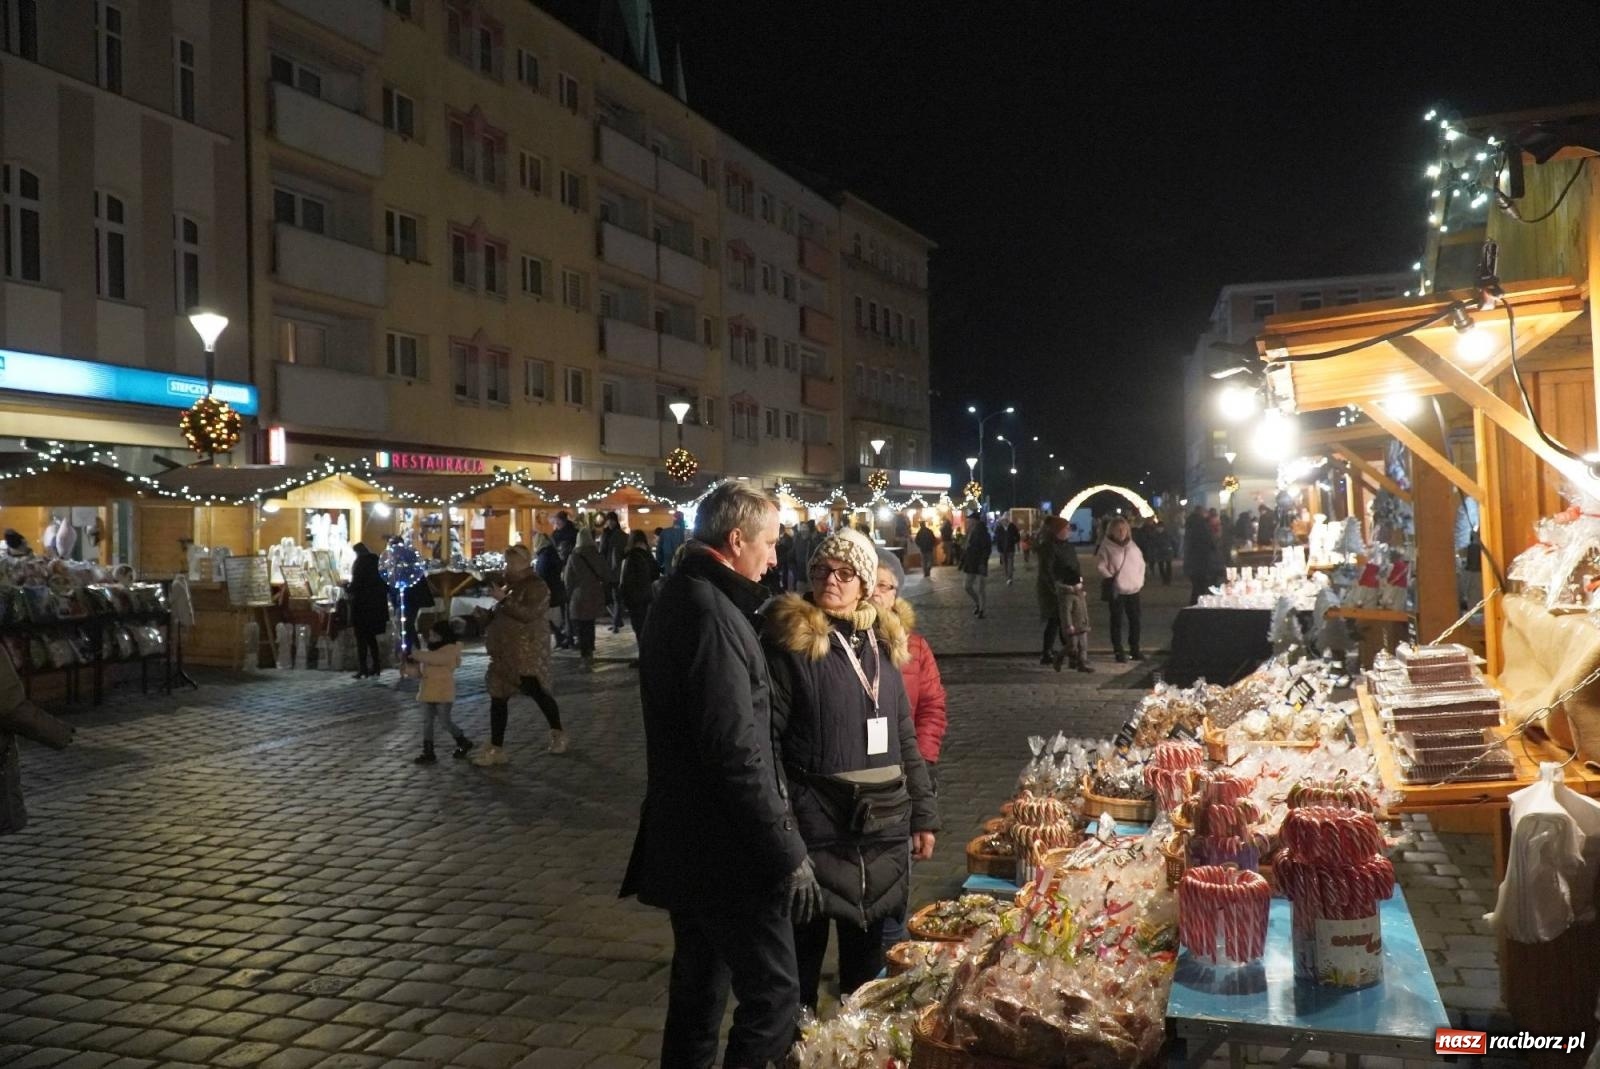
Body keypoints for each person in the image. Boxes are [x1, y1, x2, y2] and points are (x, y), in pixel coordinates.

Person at [621, 483, 814, 1069]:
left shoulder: (691, 596)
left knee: (700, 995)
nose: (776, 558)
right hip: (727, 850)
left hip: (693, 844)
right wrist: (786, 850)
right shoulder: (709, 612)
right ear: (736, 541)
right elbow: (735, 750)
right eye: (770, 543)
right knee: (776, 994)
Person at [763, 527, 938, 1008]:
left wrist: (922, 813)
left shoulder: (882, 644)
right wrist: (783, 830)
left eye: (844, 573)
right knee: (797, 976)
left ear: (865, 583)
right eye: (821, 570)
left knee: (865, 981)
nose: (831, 581)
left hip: (879, 828)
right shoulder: (792, 646)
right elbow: (769, 746)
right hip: (815, 829)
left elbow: (903, 734)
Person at [867, 549, 946, 950]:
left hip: (905, 778)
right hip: (863, 786)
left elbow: (932, 709)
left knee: (895, 897)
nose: (878, 593)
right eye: (872, 583)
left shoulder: (914, 647)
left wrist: (924, 762)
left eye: (888, 586)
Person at [473, 544, 565, 765]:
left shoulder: (537, 586)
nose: (508, 566)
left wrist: (504, 600)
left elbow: (529, 613)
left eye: (512, 562)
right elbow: (503, 614)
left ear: (524, 563)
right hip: (505, 652)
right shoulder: (510, 585)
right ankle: (496, 747)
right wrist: (485, 616)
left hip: (526, 652)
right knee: (498, 696)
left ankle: (557, 731)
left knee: (536, 691)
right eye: (507, 562)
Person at [406, 619, 474, 764]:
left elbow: (437, 659)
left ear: (442, 636)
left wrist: (416, 654)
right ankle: (428, 752)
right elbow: (420, 673)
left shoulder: (450, 650)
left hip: (443, 692)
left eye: (433, 635)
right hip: (428, 692)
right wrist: (409, 666)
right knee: (427, 722)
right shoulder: (429, 652)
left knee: (445, 721)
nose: (430, 638)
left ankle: (462, 741)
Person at [1096, 516, 1148, 663]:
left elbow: (1141, 564)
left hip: (1133, 589)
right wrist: (1112, 578)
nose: (1122, 532)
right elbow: (1101, 566)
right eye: (1118, 529)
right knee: (1117, 621)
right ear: (1111, 530)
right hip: (1117, 590)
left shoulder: (1132, 546)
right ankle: (1118, 650)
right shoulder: (1106, 546)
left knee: (1135, 620)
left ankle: (1135, 649)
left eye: (1124, 529)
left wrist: (1140, 580)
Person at [564, 527, 614, 669]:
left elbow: (568, 580)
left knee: (581, 626)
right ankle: (590, 652)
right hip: (595, 593)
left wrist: (567, 595)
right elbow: (607, 574)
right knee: (590, 624)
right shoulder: (597, 555)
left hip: (579, 596)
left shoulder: (574, 556)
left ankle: (584, 655)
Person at [346, 543, 389, 680]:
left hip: (362, 607)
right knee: (371, 638)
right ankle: (376, 666)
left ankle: (363, 668)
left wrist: (346, 587)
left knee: (361, 639)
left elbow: (356, 585)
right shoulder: (377, 563)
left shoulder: (360, 564)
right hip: (376, 609)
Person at [617, 529, 661, 654]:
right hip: (649, 597)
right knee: (647, 629)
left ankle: (643, 657)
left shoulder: (631, 557)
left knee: (639, 629)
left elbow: (626, 580)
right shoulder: (649, 556)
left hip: (635, 599)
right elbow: (656, 574)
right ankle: (648, 656)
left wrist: (625, 597)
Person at [531, 532, 570, 649]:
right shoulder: (550, 552)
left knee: (546, 616)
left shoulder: (545, 555)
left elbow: (542, 574)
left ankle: (560, 637)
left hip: (549, 590)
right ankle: (561, 637)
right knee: (550, 616)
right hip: (555, 589)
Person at [960, 512, 992, 618]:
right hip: (971, 563)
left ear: (975, 520)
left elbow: (986, 549)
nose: (968, 521)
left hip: (979, 563)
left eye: (970, 519)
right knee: (967, 586)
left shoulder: (982, 531)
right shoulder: (971, 531)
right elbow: (967, 547)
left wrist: (983, 562)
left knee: (980, 588)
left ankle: (982, 609)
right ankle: (978, 603)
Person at [600, 511, 628, 633]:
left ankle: (616, 622)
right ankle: (617, 620)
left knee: (616, 597)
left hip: (616, 569)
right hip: (607, 569)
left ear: (616, 521)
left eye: (612, 520)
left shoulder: (620, 535)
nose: (610, 522)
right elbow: (602, 551)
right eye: (608, 520)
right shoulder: (606, 534)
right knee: (608, 598)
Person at [1184, 506, 1217, 606]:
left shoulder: (1190, 523)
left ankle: (1195, 604)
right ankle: (1197, 605)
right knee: (1201, 585)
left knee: (1197, 585)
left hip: (1193, 560)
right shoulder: (1201, 525)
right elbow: (1209, 542)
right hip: (1202, 559)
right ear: (1202, 513)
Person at [655, 510, 687, 576]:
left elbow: (659, 552)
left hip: (668, 568)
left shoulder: (665, 532)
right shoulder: (688, 533)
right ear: (683, 519)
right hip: (684, 570)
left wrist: (660, 564)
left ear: (674, 519)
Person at [790, 520, 817, 596]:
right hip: (801, 577)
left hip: (812, 578)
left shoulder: (813, 543)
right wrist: (796, 572)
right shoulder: (797, 543)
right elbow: (791, 558)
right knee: (801, 600)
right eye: (802, 528)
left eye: (806, 528)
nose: (804, 530)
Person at [1144, 517, 1175, 586]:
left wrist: (1171, 548)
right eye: (1159, 527)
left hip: (1167, 551)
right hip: (1160, 552)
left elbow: (1173, 541)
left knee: (1168, 566)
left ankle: (1168, 580)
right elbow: (1152, 543)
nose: (1160, 529)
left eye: (1161, 527)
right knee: (1161, 567)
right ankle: (1164, 579)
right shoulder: (1154, 534)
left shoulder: (1167, 533)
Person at [995, 518, 1020, 583]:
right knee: (1005, 564)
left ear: (1007, 521)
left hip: (1010, 549)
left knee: (1010, 563)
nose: (1004, 522)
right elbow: (997, 539)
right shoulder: (999, 528)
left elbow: (1017, 536)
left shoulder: (1012, 527)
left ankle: (1009, 577)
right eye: (1003, 521)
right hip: (1002, 549)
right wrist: (999, 548)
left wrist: (1014, 541)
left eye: (1005, 521)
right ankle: (1007, 577)